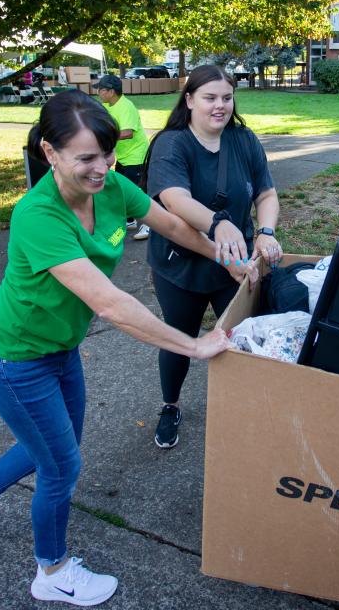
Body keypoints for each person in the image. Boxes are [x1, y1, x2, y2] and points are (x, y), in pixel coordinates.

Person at [0, 90, 255, 606]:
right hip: (14, 360)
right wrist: (192, 346)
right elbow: (108, 303)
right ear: (49, 153)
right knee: (60, 466)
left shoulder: (111, 188)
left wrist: (225, 257)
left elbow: (172, 224)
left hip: (60, 351)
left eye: (106, 154)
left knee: (51, 451)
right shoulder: (38, 216)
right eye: (85, 157)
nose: (101, 167)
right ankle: (51, 570)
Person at [142, 64, 283, 449]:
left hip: (235, 266)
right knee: (180, 337)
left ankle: (245, 407)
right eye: (209, 98)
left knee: (242, 337)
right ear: (189, 101)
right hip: (181, 264)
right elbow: (175, 200)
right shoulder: (172, 144)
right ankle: (170, 406)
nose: (219, 106)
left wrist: (266, 232)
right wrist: (219, 222)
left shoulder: (243, 139)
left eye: (226, 97)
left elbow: (266, 194)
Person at [92, 74, 150, 240]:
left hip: (136, 156)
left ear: (111, 91)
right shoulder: (110, 106)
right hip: (124, 157)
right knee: (121, 190)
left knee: (139, 191)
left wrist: (105, 136)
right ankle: (130, 220)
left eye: (101, 90)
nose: (98, 93)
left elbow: (127, 133)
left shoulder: (125, 106)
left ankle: (149, 225)